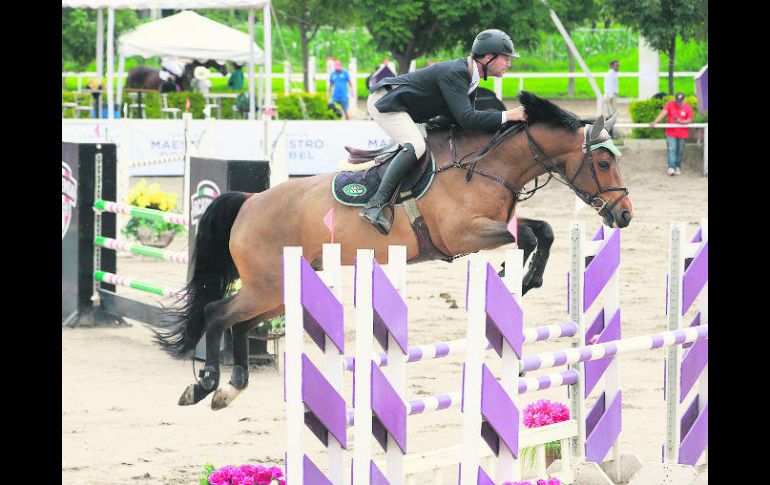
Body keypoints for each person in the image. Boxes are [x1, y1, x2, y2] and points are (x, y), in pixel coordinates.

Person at [361, 29, 527, 235]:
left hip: (407, 109)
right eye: (505, 57)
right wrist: (508, 116)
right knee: (416, 145)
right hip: (386, 102)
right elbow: (467, 119)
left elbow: (461, 122)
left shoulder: (470, 77)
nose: (509, 63)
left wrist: (506, 126)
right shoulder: (456, 73)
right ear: (486, 57)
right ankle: (375, 204)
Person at [650, 92, 694, 176]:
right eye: (677, 101)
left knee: (680, 151)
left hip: (682, 133)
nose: (678, 103)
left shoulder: (688, 107)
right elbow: (663, 113)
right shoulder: (670, 104)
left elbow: (689, 119)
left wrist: (681, 122)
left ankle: (678, 167)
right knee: (671, 149)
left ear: (683, 100)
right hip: (671, 132)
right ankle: (671, 167)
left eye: (680, 102)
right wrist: (655, 121)